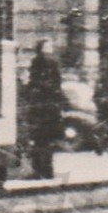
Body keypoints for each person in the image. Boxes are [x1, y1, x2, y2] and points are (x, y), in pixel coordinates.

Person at [22, 40, 66, 179]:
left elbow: (32, 83)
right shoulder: (52, 63)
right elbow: (57, 84)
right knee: (47, 141)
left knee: (39, 139)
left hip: (39, 106)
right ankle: (47, 170)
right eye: (48, 46)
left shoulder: (36, 62)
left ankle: (38, 170)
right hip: (50, 107)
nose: (50, 49)